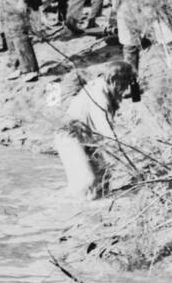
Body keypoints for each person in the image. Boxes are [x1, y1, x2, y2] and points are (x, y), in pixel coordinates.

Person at [52, 61, 136, 198]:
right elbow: (103, 125)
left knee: (103, 180)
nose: (126, 89)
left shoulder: (104, 87)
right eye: (125, 84)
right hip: (70, 136)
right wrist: (122, 149)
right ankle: (69, 209)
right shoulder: (99, 93)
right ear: (115, 80)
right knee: (86, 183)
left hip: (86, 136)